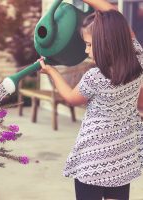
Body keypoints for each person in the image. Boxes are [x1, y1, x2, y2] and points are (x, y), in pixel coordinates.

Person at [38, 0, 143, 199]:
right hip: (122, 157)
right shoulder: (138, 60)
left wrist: (51, 71)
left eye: (89, 44)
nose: (86, 51)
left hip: (93, 159)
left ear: (106, 43)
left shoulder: (96, 78)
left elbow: (70, 98)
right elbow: (117, 17)